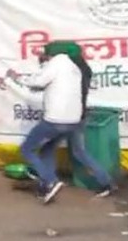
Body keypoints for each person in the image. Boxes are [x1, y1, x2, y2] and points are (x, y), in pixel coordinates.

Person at [7, 41, 84, 204]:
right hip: (73, 120)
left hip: (56, 119)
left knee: (26, 149)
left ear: (51, 53)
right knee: (47, 150)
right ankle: (46, 187)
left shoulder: (56, 64)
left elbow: (38, 82)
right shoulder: (73, 67)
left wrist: (16, 78)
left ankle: (50, 181)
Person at [41, 41, 116, 197]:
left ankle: (47, 184)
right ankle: (106, 182)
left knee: (48, 149)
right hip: (77, 116)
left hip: (63, 118)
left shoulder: (65, 71)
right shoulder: (83, 69)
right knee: (79, 152)